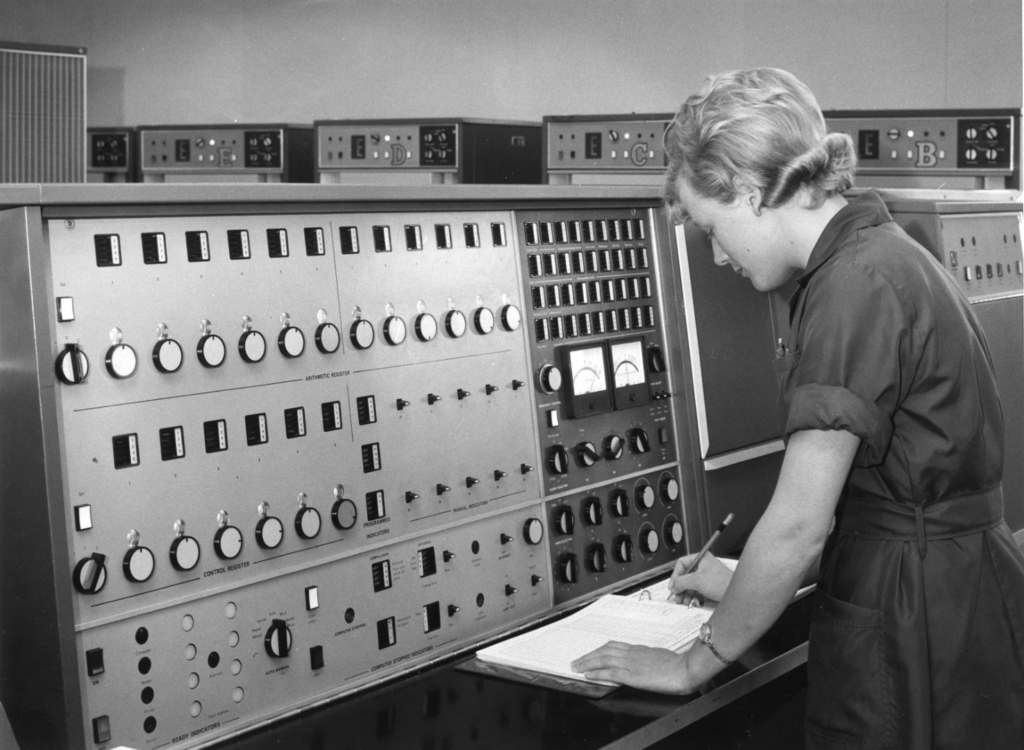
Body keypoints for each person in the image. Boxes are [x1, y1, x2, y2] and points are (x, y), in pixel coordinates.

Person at [571, 67, 1024, 749]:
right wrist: (740, 582)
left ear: (750, 193)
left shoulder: (852, 288)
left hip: (914, 618)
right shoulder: (884, 254)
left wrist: (692, 662)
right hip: (951, 596)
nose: (716, 255)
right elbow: (885, 503)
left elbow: (798, 526)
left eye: (711, 227)